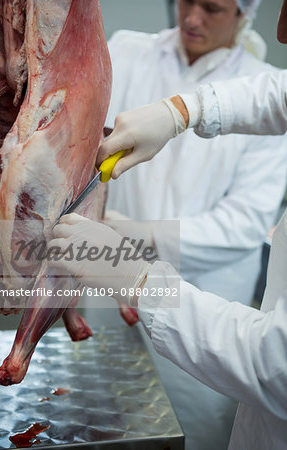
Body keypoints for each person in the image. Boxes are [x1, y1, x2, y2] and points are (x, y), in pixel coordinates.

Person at [48, 0, 287, 448]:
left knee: (187, 433)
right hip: (106, 280)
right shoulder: (128, 49)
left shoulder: (258, 80)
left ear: (242, 14)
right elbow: (81, 147)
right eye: (185, 1)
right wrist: (181, 110)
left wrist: (145, 241)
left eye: (212, 9)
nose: (192, 18)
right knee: (98, 420)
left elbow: (243, 224)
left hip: (205, 304)